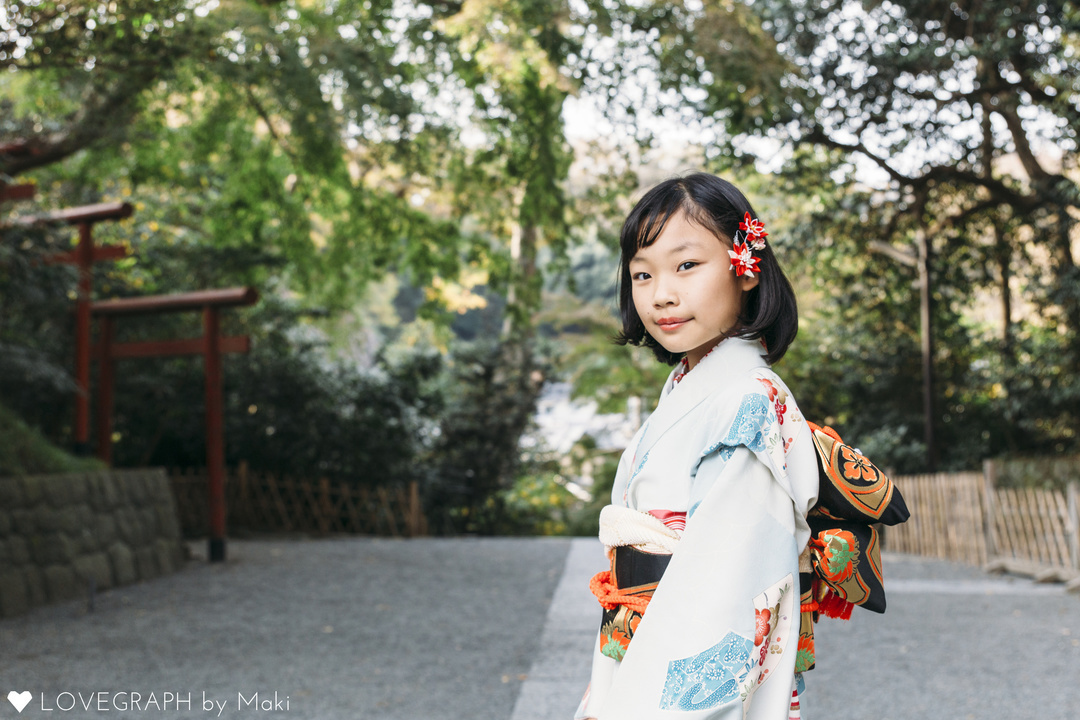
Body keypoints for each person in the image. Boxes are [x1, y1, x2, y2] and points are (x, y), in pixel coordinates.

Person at [575, 173, 819, 720]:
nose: (662, 293)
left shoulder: (748, 402)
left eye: (686, 265)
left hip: (680, 667)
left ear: (745, 268)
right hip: (639, 644)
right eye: (643, 273)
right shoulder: (693, 390)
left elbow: (725, 586)